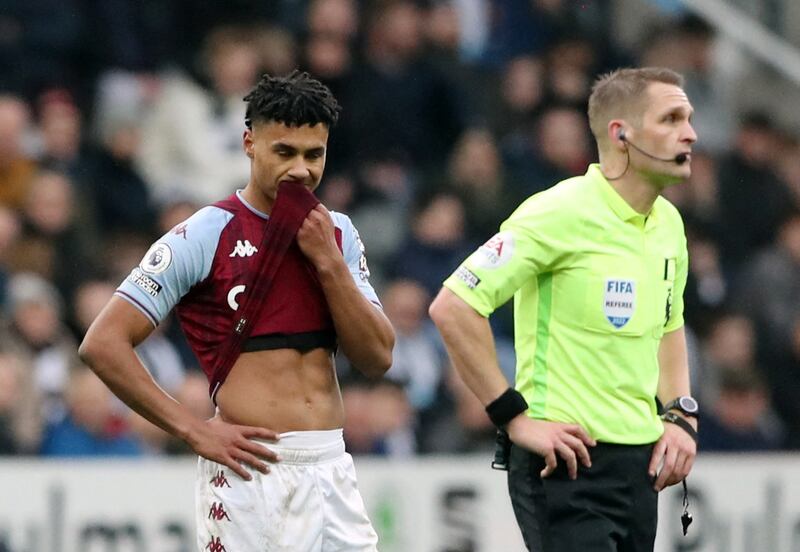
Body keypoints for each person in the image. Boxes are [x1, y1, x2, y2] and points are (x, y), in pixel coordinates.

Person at [79, 70, 395, 551]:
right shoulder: (206, 233)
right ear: (249, 143)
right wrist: (191, 429)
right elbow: (102, 343)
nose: (301, 171)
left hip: (331, 464)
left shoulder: (339, 235)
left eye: (315, 155)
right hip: (251, 472)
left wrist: (329, 263)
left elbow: (377, 358)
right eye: (284, 152)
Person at [429, 67, 699, 552]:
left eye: (689, 118)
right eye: (672, 118)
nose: (691, 133)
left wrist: (680, 414)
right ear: (621, 135)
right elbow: (454, 306)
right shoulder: (557, 212)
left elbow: (669, 324)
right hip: (567, 461)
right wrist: (513, 418)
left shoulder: (669, 224)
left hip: (640, 468)